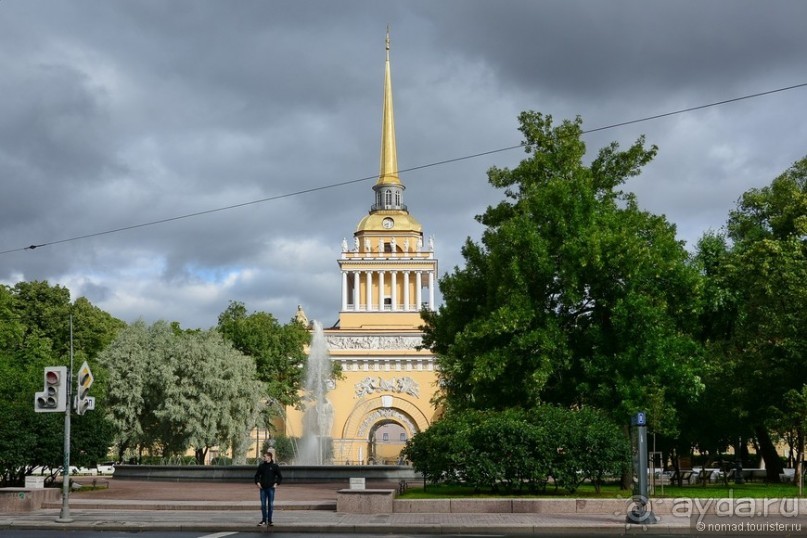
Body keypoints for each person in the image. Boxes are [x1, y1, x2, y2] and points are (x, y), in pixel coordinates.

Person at [254, 451, 282, 526]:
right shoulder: (261, 466)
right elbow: (256, 476)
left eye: (265, 456)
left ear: (269, 457)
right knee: (263, 505)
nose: (264, 457)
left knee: (270, 505)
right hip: (262, 488)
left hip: (271, 488)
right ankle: (263, 520)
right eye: (264, 456)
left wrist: (276, 483)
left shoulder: (275, 466)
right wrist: (258, 482)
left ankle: (269, 521)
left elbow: (280, 477)